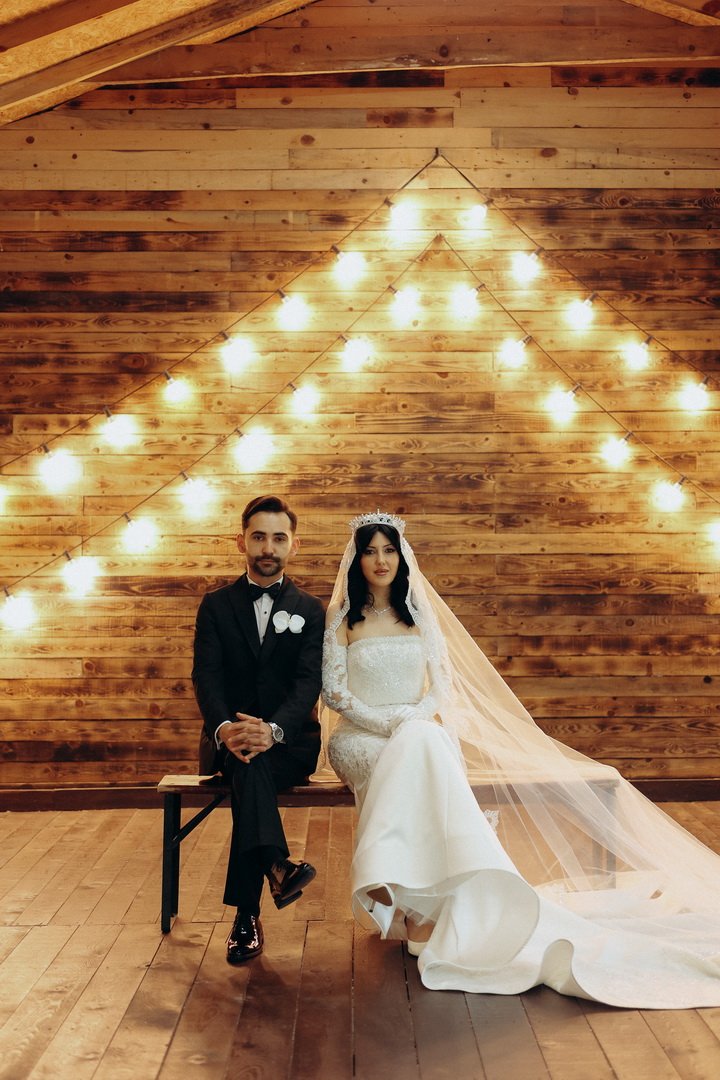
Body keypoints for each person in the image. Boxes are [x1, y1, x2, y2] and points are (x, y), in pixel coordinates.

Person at [322, 510, 720, 1007]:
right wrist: (394, 725)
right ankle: (414, 904)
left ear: (402, 558)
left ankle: (423, 903)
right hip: (361, 737)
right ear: (357, 560)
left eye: (388, 550)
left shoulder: (419, 615)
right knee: (420, 751)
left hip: (415, 730)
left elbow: (441, 688)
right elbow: (334, 691)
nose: (380, 560)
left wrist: (412, 721)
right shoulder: (343, 618)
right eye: (370, 551)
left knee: (424, 746)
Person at [193, 495, 325, 964]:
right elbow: (205, 677)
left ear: (293, 545)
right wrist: (226, 728)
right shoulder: (215, 606)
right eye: (259, 537)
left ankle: (249, 911)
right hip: (231, 744)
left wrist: (274, 730)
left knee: (255, 765)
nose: (268, 547)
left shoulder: (311, 610)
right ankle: (272, 871)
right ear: (241, 541)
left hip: (290, 745)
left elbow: (308, 682)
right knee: (249, 764)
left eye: (278, 538)